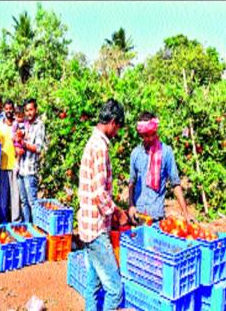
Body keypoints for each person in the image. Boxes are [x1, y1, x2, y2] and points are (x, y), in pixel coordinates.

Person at [77, 99, 125, 310]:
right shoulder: (100, 147)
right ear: (113, 122)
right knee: (115, 290)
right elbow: (99, 194)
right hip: (96, 229)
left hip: (88, 226)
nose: (118, 132)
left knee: (93, 283)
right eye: (119, 127)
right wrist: (117, 212)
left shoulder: (94, 142)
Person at [128, 111, 194, 222]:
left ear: (156, 131)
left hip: (156, 217)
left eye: (152, 134)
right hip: (138, 215)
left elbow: (175, 184)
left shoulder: (166, 152)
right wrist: (131, 205)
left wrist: (185, 213)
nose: (149, 138)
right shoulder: (135, 153)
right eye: (146, 136)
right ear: (141, 135)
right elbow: (132, 183)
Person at [17, 98, 45, 223]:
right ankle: (27, 228)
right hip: (21, 169)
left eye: (31, 110)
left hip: (30, 170)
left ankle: (36, 228)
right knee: (23, 202)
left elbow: (38, 148)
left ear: (36, 110)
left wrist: (23, 144)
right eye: (26, 110)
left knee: (32, 202)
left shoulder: (39, 125)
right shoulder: (25, 124)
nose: (28, 113)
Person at [0, 99, 21, 223]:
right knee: (3, 196)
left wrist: (18, 161)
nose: (9, 111)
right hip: (2, 164)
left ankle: (16, 221)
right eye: (7, 109)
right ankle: (3, 220)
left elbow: (20, 143)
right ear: (4, 110)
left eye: (10, 108)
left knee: (15, 196)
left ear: (13, 110)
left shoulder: (18, 125)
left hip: (14, 164)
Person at [12, 105, 26, 174]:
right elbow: (13, 133)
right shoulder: (15, 123)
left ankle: (18, 164)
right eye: (18, 117)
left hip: (22, 141)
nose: (19, 119)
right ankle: (16, 165)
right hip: (17, 142)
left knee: (22, 152)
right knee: (18, 152)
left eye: (21, 116)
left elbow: (26, 132)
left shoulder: (25, 123)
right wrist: (15, 138)